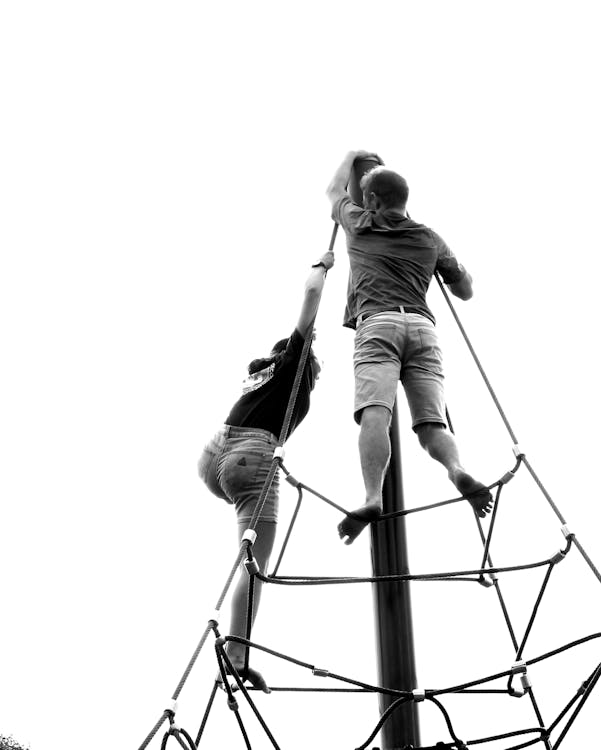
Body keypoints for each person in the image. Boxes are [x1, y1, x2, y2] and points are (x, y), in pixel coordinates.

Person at [325, 150, 493, 545]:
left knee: (375, 415)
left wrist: (352, 155)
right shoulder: (427, 236)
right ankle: (456, 469)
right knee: (432, 425)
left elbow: (332, 190)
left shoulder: (359, 223)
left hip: (379, 324)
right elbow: (465, 291)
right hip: (422, 329)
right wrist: (451, 269)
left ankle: (371, 497)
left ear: (374, 201)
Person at [196, 251, 331, 692]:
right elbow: (311, 294)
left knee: (248, 541)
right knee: (253, 564)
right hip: (251, 456)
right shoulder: (296, 362)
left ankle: (238, 645)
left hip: (215, 453)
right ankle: (237, 652)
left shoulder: (263, 373)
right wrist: (322, 266)